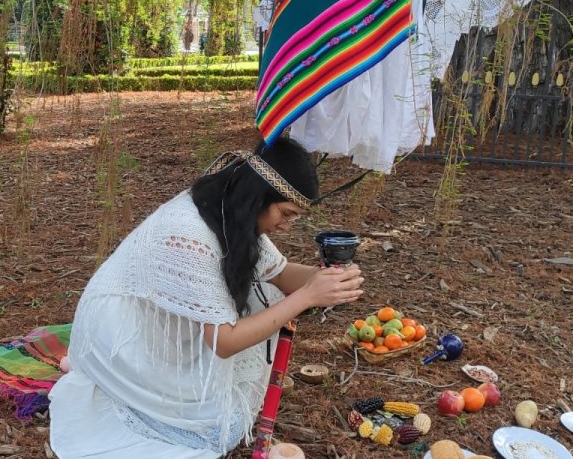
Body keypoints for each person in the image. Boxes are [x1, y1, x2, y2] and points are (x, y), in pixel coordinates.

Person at [48, 138, 365, 458]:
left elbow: (280, 274)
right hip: (122, 333)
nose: (287, 224)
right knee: (217, 431)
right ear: (258, 198)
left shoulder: (233, 213)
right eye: (285, 213)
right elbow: (223, 342)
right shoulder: (188, 233)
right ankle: (103, 373)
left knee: (264, 302)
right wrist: (308, 296)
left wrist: (323, 279)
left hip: (159, 325)